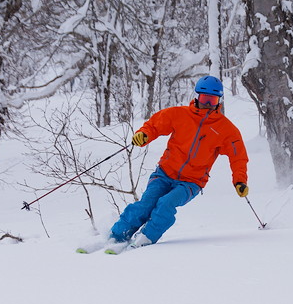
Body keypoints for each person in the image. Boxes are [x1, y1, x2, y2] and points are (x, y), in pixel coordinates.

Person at [107, 75, 249, 250]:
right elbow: (154, 125)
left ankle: (147, 237)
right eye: (205, 98)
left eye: (212, 100)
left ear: (218, 101)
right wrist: (143, 135)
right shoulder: (179, 114)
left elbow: (238, 157)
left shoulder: (226, 129)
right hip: (164, 173)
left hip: (192, 182)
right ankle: (117, 236)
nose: (208, 104)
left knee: (166, 203)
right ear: (197, 96)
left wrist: (240, 181)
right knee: (145, 204)